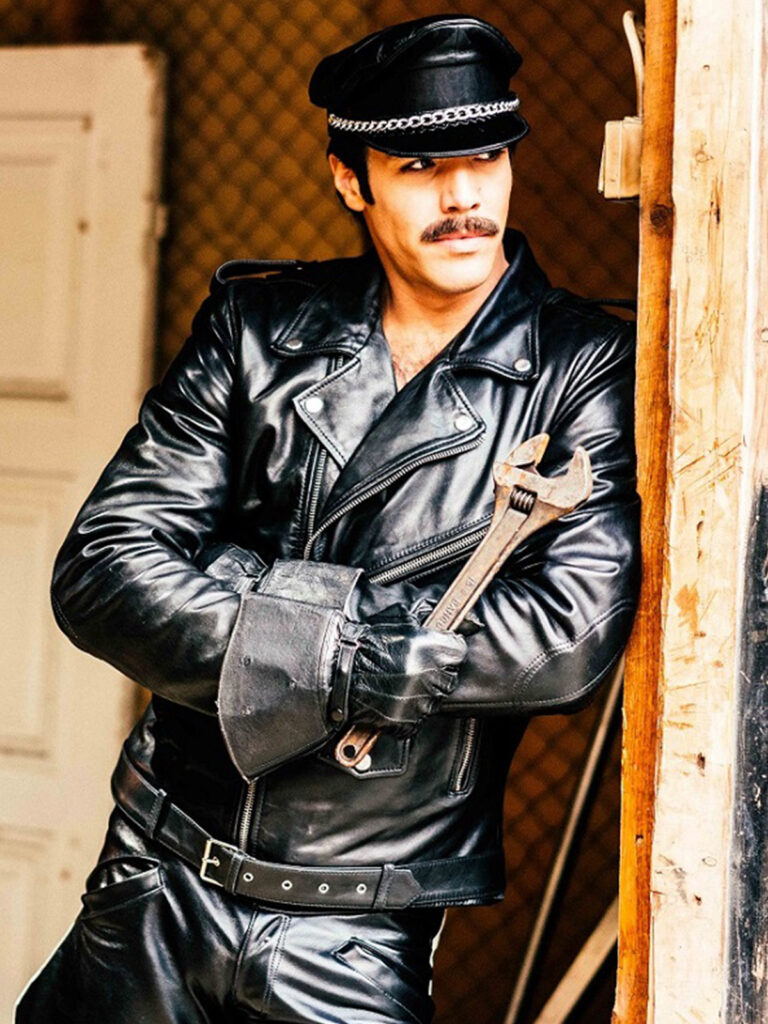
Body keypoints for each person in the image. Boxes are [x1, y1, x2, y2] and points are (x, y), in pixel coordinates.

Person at [16, 14, 641, 1024]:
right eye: (420, 167)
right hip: (154, 882)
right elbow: (106, 567)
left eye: (486, 157)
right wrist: (347, 654)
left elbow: (564, 638)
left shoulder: (581, 368)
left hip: (354, 931)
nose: (464, 196)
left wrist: (239, 580)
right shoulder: (256, 331)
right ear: (351, 179)